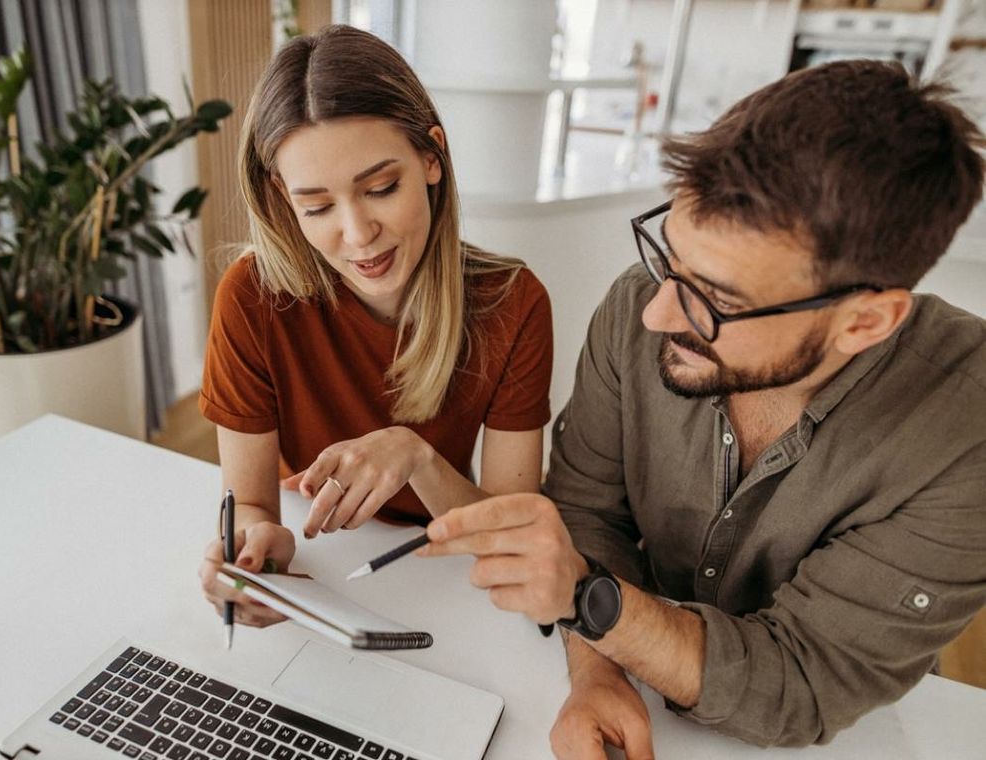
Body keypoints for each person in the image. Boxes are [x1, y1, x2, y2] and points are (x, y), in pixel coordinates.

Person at [418, 59, 986, 757]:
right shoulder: (641, 303)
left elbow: (802, 684)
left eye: (717, 300)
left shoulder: (966, 438)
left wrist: (592, 601)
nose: (658, 314)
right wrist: (597, 671)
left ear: (865, 323)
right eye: (670, 257)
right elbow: (590, 510)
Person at [197, 25, 553, 628]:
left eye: (382, 188)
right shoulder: (251, 298)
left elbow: (513, 535)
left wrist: (417, 457)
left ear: (432, 158)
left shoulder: (513, 304)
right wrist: (259, 550)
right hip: (321, 561)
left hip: (441, 569)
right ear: (283, 199)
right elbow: (253, 502)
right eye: (317, 207)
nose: (358, 235)